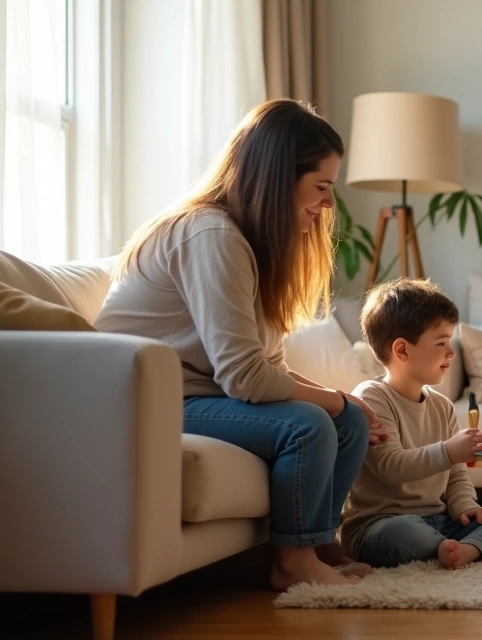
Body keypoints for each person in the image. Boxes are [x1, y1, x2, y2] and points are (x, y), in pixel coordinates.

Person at [96, 99, 383, 589]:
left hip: (201, 395)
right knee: (310, 425)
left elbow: (266, 362)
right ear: (278, 178)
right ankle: (293, 563)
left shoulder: (249, 243)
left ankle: (316, 542)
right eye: (321, 188)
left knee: (350, 419)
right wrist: (331, 398)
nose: (329, 204)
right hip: (146, 401)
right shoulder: (210, 235)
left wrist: (346, 403)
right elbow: (246, 377)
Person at [341, 278, 482, 570]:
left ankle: (462, 548)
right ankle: (456, 547)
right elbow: (391, 466)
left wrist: (466, 507)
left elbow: (456, 477)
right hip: (382, 523)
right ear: (402, 350)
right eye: (441, 343)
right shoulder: (370, 398)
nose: (451, 352)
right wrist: (448, 451)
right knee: (404, 532)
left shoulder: (441, 406)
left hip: (440, 521)